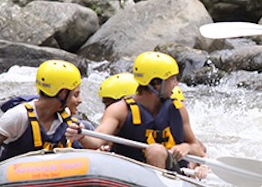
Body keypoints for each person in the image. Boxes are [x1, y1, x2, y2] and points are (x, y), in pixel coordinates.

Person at [69, 52, 205, 170]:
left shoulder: (178, 109)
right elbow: (96, 141)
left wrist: (187, 148)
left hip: (173, 176)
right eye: (172, 79)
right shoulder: (120, 110)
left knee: (156, 151)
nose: (176, 84)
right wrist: (81, 134)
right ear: (156, 83)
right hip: (131, 174)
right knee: (155, 150)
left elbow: (196, 148)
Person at [0, 60, 82, 171]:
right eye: (76, 95)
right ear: (63, 93)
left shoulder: (64, 117)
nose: (80, 100)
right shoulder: (18, 116)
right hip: (12, 178)